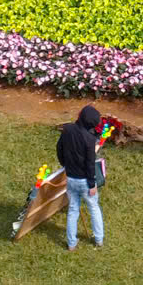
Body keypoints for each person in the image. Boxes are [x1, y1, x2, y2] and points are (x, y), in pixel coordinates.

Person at [56, 105, 105, 250]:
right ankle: (99, 239)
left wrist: (65, 165)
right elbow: (90, 165)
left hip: (71, 178)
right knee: (94, 207)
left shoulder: (67, 129)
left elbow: (59, 149)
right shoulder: (90, 140)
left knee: (73, 210)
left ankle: (71, 243)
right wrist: (92, 184)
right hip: (85, 181)